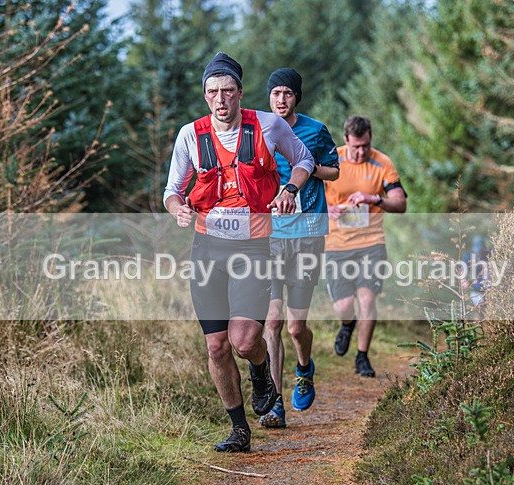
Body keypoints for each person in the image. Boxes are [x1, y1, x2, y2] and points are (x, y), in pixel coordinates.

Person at [163, 53, 314, 452]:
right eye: (212, 92)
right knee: (216, 346)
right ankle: (239, 430)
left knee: (245, 341)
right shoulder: (189, 136)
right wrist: (178, 209)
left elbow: (304, 159)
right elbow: (172, 192)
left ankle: (262, 373)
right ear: (205, 96)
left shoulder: (268, 125)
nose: (220, 99)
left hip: (253, 245)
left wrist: (289, 189)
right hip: (207, 248)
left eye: (227, 91)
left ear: (240, 93)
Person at [260, 68, 340, 428]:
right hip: (271, 234)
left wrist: (304, 168)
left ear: (297, 97)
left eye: (287, 93)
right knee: (272, 322)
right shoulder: (259, 130)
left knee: (295, 327)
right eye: (276, 93)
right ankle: (275, 402)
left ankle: (304, 368)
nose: (281, 99)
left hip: (308, 232)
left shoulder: (315, 129)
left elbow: (335, 172)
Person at [324, 116, 406, 377]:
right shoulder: (330, 158)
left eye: (366, 146)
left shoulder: (382, 162)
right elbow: (307, 195)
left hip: (371, 242)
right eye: (356, 146)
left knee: (367, 298)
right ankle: (347, 324)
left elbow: (400, 204)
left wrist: (374, 198)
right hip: (336, 242)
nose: (361, 152)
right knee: (344, 304)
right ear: (345, 140)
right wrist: (327, 209)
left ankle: (362, 357)